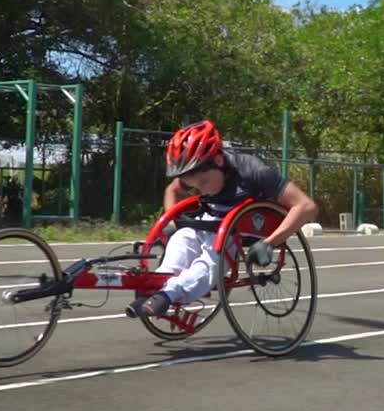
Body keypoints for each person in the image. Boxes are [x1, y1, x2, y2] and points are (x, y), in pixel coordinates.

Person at [127, 120, 318, 318]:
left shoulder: (253, 171)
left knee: (213, 256)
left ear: (218, 161)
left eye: (203, 182)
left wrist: (270, 243)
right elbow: (172, 190)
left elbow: (307, 206)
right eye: (194, 185)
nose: (200, 189)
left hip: (244, 226)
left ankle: (168, 294)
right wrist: (173, 220)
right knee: (182, 237)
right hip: (211, 220)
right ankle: (161, 281)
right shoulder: (197, 169)